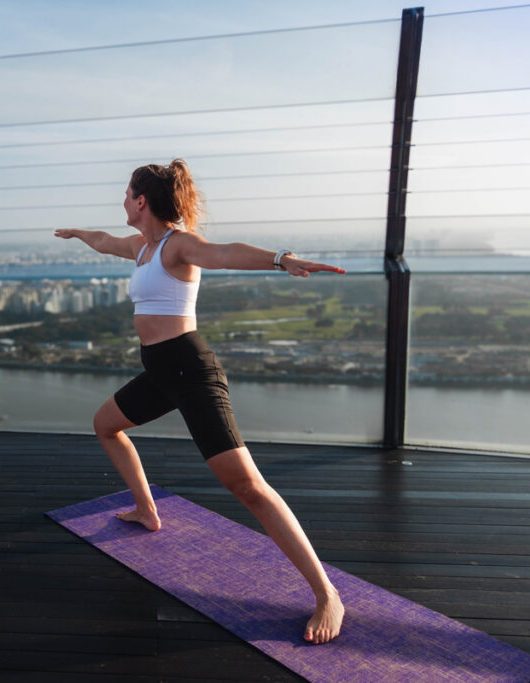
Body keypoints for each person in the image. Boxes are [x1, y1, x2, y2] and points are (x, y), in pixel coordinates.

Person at [54, 158, 347, 644]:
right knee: (106, 425)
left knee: (248, 487)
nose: (122, 201)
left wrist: (282, 259)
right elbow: (105, 240)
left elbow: (226, 253)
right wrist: (79, 233)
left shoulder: (177, 244)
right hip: (159, 372)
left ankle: (327, 594)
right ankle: (147, 511)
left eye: (127, 194)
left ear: (141, 200)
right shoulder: (141, 247)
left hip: (191, 371)